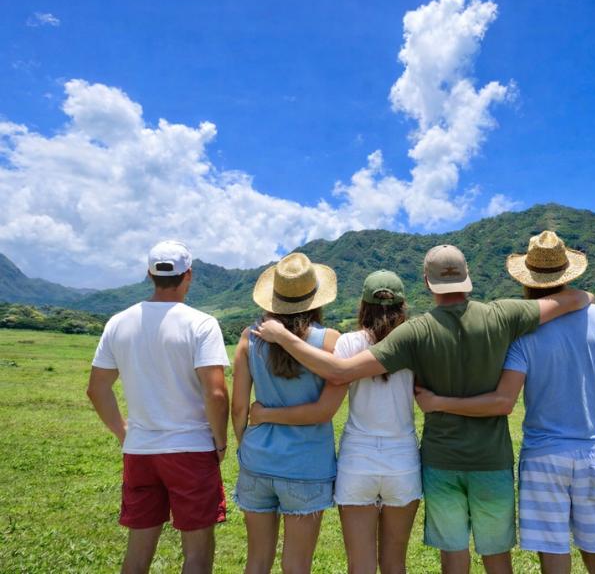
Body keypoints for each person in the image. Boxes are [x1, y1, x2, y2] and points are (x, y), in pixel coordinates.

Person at [251, 244, 594, 574]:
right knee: (475, 557)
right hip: (461, 459)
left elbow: (339, 372)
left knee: (412, 559)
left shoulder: (410, 334)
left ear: (428, 282)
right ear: (468, 276)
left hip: (404, 460)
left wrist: (283, 337)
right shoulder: (501, 314)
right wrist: (584, 297)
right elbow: (575, 299)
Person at [415, 231, 595, 574]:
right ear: (569, 272)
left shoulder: (523, 332)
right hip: (591, 450)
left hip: (543, 453)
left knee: (553, 553)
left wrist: (439, 401)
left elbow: (504, 399)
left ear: (528, 278)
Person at [250, 270, 421, 574]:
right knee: (396, 564)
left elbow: (334, 374)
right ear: (403, 306)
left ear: (363, 306)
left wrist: (283, 337)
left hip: (358, 460)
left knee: (360, 565)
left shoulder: (349, 343)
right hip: (403, 460)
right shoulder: (417, 343)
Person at [87, 240, 230, 574]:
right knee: (196, 555)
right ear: (189, 275)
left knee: (137, 553)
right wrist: (220, 442)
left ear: (149, 274)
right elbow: (216, 394)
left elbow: (97, 389)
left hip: (140, 451)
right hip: (191, 449)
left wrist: (124, 433)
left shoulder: (118, 323)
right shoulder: (202, 324)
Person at [230, 252, 345, 574]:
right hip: (306, 466)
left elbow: (239, 407)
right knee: (297, 565)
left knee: (256, 561)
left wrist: (248, 439)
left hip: (257, 459)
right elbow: (323, 412)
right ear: (316, 298)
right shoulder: (330, 340)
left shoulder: (248, 338)